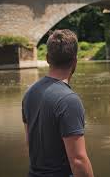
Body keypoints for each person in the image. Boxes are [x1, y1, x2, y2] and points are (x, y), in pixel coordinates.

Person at [22, 29, 94, 177]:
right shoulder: (69, 100)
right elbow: (78, 160)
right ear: (75, 61)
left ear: (48, 58)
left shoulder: (29, 93)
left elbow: (30, 143)